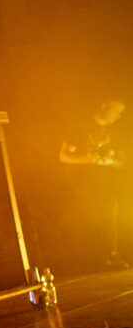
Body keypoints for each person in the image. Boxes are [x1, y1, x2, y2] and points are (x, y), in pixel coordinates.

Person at [60, 98, 130, 269]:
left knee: (110, 219)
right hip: (82, 186)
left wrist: (110, 160)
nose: (118, 116)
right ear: (105, 106)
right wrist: (88, 158)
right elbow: (63, 156)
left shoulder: (116, 131)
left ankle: (111, 256)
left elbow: (123, 161)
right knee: (87, 222)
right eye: (116, 110)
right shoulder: (81, 126)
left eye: (121, 113)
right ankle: (87, 260)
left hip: (107, 185)